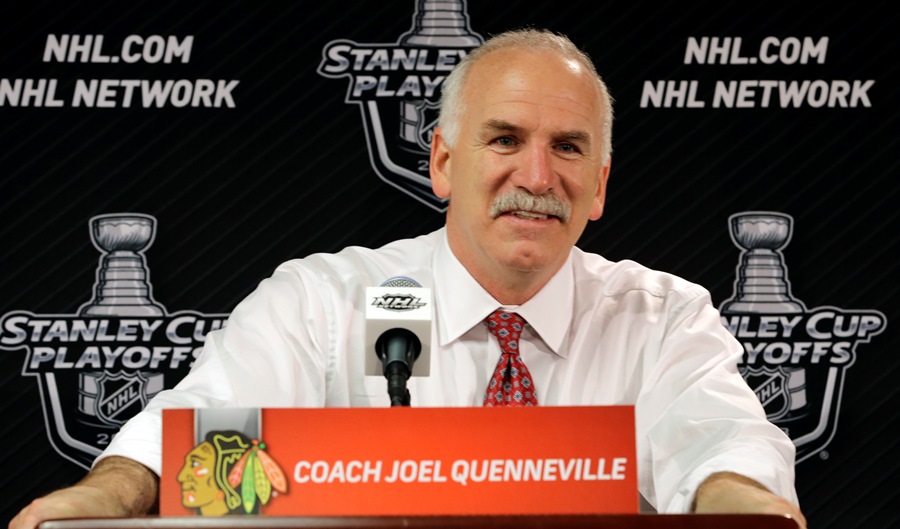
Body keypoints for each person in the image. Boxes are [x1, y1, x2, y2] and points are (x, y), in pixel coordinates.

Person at [9, 27, 807, 529]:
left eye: (568, 148)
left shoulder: (664, 316)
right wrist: (107, 494)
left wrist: (745, 506)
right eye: (504, 139)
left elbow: (719, 444)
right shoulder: (325, 301)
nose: (537, 174)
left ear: (599, 185)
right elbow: (202, 432)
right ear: (442, 163)